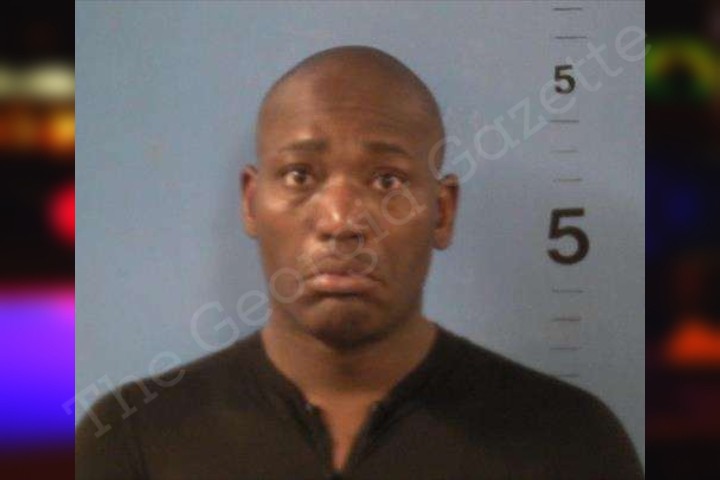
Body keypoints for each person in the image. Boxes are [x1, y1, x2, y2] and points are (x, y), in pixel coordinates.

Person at [76, 46, 643, 479]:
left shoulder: (568, 443)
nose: (342, 220)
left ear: (442, 212)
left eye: (387, 181)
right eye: (300, 175)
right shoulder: (133, 440)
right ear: (251, 203)